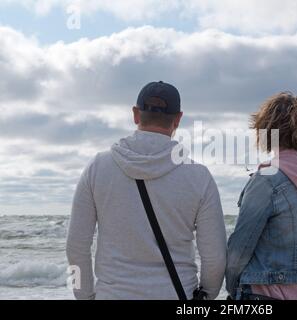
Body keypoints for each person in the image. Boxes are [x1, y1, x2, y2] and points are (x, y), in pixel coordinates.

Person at [66, 81, 227, 300]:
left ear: (135, 114)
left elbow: (76, 246)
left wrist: (84, 296)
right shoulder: (199, 176)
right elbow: (215, 257)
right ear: (178, 119)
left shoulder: (98, 167)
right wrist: (206, 295)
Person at [226, 92, 297, 300]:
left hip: (266, 293)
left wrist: (231, 288)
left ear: (265, 132)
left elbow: (240, 247)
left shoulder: (266, 180)